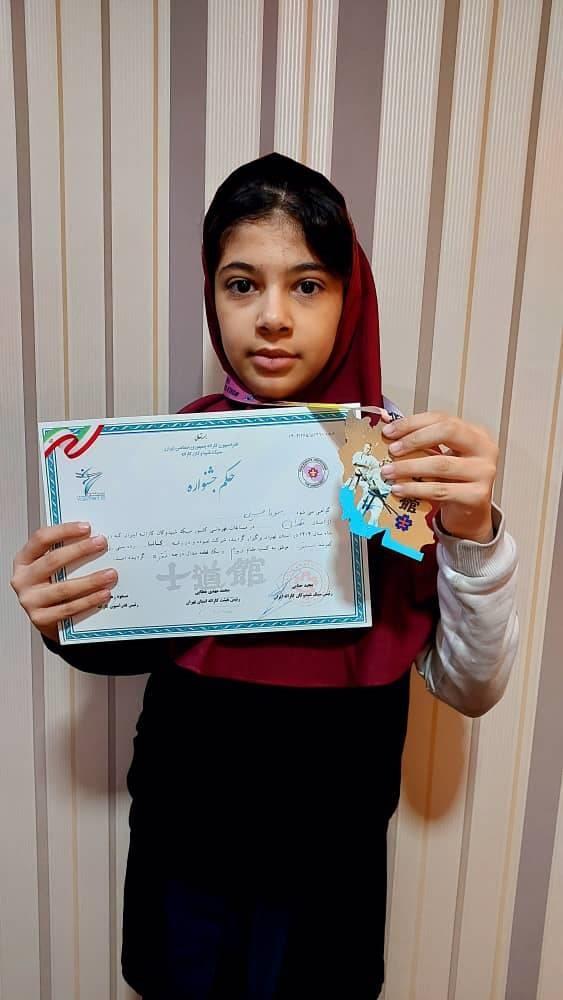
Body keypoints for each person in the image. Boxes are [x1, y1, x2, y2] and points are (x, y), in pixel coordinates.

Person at [10, 153, 518, 999]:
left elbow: (470, 686)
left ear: (351, 297)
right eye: (241, 284)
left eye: (308, 285)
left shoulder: (398, 471)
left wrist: (472, 536)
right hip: (184, 858)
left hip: (329, 874)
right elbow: (131, 640)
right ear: (211, 295)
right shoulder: (170, 455)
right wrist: (61, 612)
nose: (272, 318)